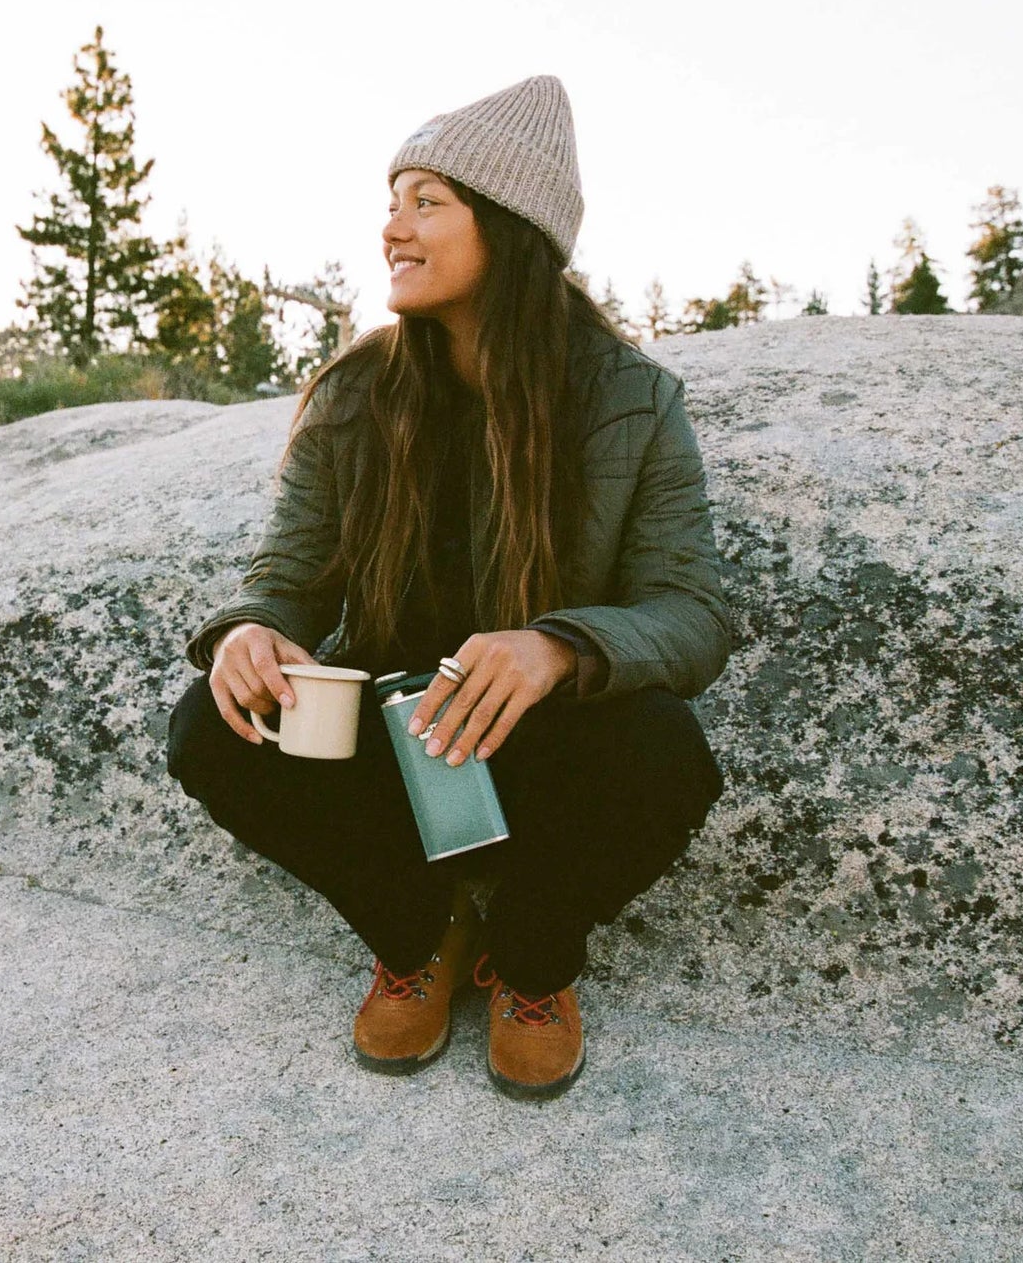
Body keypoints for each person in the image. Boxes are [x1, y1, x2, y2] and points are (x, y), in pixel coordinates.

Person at [167, 74, 729, 1100]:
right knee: (208, 730)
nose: (393, 228)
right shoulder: (354, 392)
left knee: (664, 753)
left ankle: (531, 957)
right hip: (390, 741)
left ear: (510, 226)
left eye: (426, 201)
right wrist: (250, 632)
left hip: (542, 739)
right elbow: (285, 579)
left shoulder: (632, 401)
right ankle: (417, 930)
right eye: (391, 201)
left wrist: (557, 645)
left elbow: (690, 612)